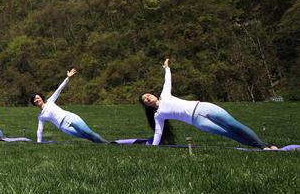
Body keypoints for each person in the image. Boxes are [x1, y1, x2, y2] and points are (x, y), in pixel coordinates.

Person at [139, 58, 275, 149]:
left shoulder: (165, 95)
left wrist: (166, 68)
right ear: (146, 105)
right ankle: (262, 148)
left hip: (204, 107)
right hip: (198, 122)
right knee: (230, 134)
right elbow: (158, 132)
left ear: (153, 95)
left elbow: (167, 80)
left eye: (148, 95)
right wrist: (153, 148)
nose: (147, 97)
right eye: (145, 99)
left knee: (235, 126)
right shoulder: (158, 115)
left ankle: (265, 145)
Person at [33, 69, 106, 143]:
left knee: (89, 133)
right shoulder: (41, 116)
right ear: (34, 103)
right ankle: (102, 144)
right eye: (35, 100)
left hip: (70, 117)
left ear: (42, 98)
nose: (37, 100)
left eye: (38, 98)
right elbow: (40, 129)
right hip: (64, 127)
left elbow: (59, 89)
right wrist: (39, 142)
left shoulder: (50, 101)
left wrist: (67, 78)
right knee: (86, 136)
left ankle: (107, 143)